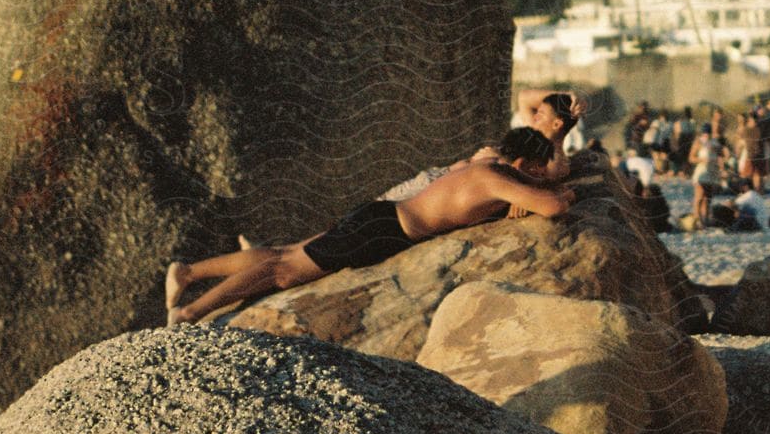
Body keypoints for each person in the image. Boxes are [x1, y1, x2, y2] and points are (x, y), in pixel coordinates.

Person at [164, 128, 573, 325]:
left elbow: (541, 187)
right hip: (381, 232)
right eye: (536, 171)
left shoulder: (486, 165)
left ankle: (189, 272)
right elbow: (553, 204)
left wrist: (525, 195)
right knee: (282, 271)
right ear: (526, 165)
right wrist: (547, 197)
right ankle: (191, 312)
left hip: (381, 217)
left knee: (281, 254)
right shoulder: (495, 178)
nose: (540, 177)